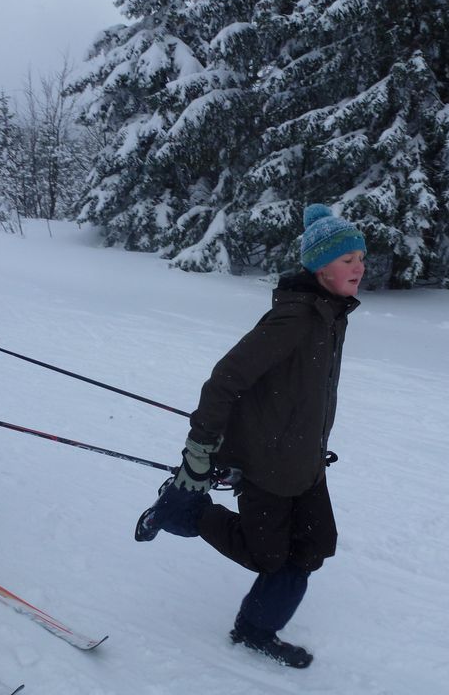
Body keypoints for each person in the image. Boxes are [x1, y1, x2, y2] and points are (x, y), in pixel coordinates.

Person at [136, 203, 365, 668]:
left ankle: (256, 629)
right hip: (268, 464)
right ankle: (187, 509)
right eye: (347, 259)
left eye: (361, 257)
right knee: (267, 556)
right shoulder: (296, 319)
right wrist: (200, 449)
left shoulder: (331, 314)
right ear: (320, 267)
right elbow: (224, 381)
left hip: (304, 460)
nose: (359, 267)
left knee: (313, 545)